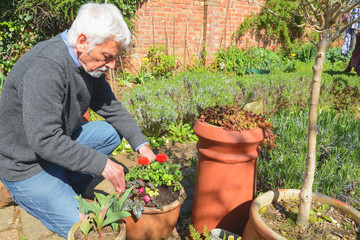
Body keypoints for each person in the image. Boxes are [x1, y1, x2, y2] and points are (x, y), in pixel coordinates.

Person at [0, 3, 156, 238]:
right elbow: (45, 140)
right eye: (108, 57)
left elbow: (110, 106)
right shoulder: (46, 67)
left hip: (56, 143)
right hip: (26, 164)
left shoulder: (88, 64)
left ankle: (68, 182)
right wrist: (102, 164)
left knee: (110, 132)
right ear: (83, 41)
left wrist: (142, 146)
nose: (112, 65)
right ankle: (34, 191)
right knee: (86, 229)